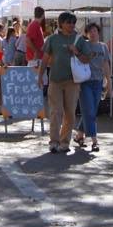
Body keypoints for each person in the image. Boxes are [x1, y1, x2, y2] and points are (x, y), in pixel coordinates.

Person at [40, 12, 89, 153]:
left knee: (70, 113)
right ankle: (53, 142)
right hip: (55, 80)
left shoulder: (79, 40)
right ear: (61, 24)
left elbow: (87, 59)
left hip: (72, 82)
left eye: (73, 22)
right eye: (68, 22)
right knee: (56, 112)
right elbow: (45, 59)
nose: (71, 25)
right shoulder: (52, 39)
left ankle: (65, 142)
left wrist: (77, 52)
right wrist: (39, 77)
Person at [74, 23, 110, 152]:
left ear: (98, 32)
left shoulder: (103, 47)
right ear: (87, 33)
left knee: (91, 111)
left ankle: (79, 135)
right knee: (90, 111)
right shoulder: (84, 44)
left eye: (95, 31)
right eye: (90, 31)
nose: (93, 33)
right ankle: (95, 140)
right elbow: (76, 59)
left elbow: (106, 64)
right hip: (85, 82)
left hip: (98, 82)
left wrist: (108, 81)